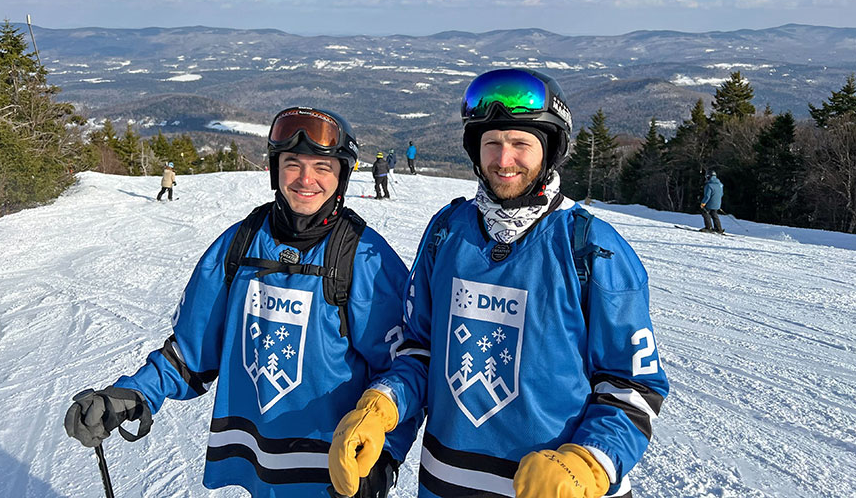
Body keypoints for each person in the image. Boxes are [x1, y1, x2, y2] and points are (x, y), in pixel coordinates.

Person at [329, 68, 669, 498]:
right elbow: (420, 350)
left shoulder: (592, 248)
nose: (504, 159)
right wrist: (383, 406)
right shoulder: (446, 232)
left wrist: (590, 461)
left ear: (550, 151)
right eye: (492, 142)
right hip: (446, 483)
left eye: (521, 143)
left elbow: (633, 385)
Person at [65, 107, 419, 498]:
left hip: (337, 472)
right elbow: (190, 355)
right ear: (274, 168)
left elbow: (405, 368)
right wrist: (131, 394)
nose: (306, 179)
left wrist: (383, 457)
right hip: (262, 469)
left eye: (322, 166)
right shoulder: (238, 246)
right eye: (292, 164)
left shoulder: (365, 258)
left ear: (341, 176)